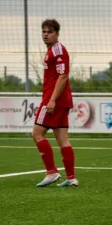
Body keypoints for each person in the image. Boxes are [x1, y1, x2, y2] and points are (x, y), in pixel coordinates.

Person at [33, 19, 78, 188]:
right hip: (61, 100)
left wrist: (51, 100)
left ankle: (51, 172)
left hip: (55, 100)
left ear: (57, 33)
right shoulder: (51, 50)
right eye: (44, 31)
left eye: (49, 32)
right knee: (62, 139)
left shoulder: (58, 50)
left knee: (37, 133)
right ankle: (71, 177)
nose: (46, 34)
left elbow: (63, 76)